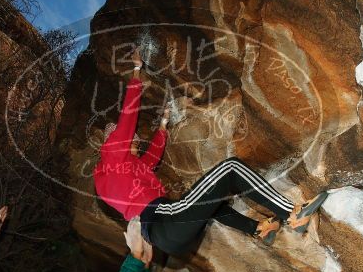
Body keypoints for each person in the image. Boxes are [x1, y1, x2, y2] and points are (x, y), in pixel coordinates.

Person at [93, 48, 327, 256]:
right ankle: (291, 214)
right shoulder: (113, 153)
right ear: (116, 142)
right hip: (162, 219)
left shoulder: (121, 171)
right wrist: (136, 71)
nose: (135, 142)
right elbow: (127, 117)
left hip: (165, 238)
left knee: (211, 200)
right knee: (231, 168)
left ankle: (257, 229)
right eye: (132, 141)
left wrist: (163, 126)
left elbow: (152, 158)